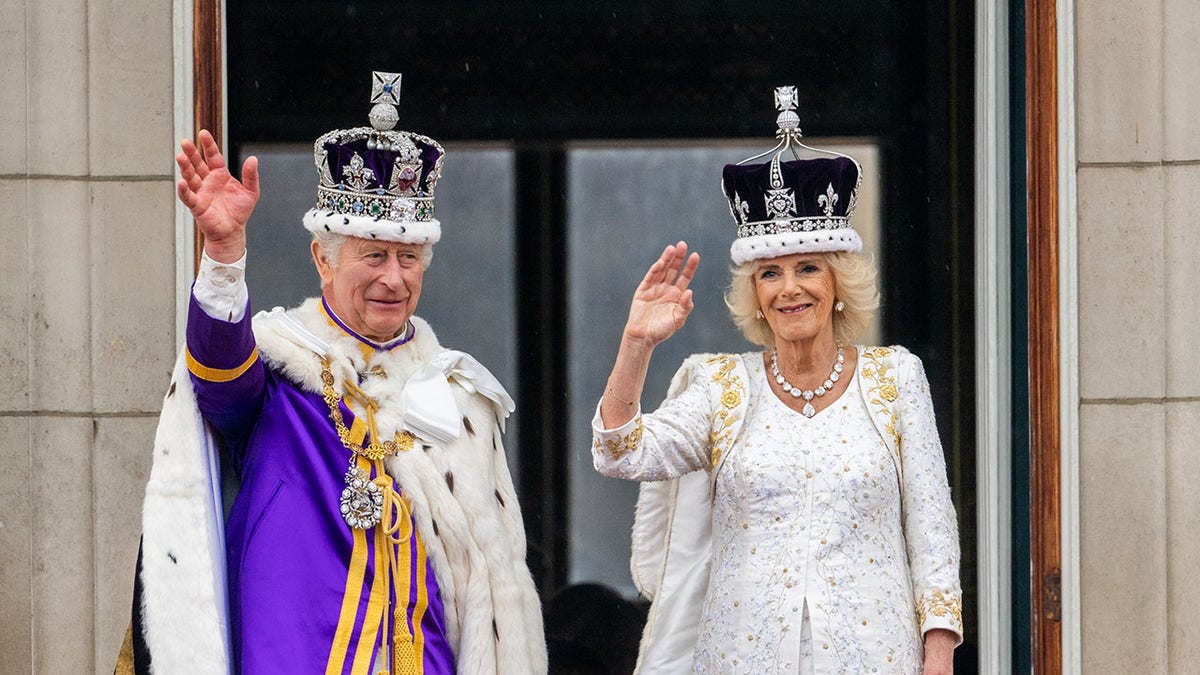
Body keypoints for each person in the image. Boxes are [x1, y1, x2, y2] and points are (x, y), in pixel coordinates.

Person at [123, 72, 546, 674]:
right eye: (373, 255)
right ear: (323, 258)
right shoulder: (278, 370)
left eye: (408, 258)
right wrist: (223, 257)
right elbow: (218, 376)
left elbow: (490, 593)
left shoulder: (456, 398)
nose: (393, 279)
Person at [591, 87, 962, 674]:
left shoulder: (896, 378)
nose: (790, 288)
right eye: (771, 273)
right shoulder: (721, 388)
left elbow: (933, 531)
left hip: (873, 657)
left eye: (808, 267)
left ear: (837, 282)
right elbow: (620, 452)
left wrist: (938, 652)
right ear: (756, 295)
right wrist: (636, 344)